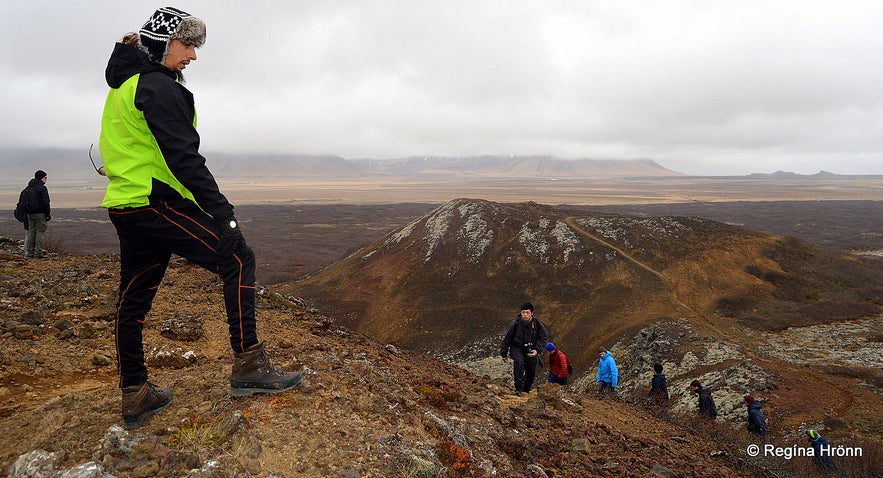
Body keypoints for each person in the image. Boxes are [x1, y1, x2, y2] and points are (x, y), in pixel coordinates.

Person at [99, 7, 301, 429]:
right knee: (238, 258)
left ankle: (135, 394)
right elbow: (184, 158)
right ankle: (248, 366)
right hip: (159, 202)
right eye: (187, 44)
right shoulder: (158, 87)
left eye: (195, 46)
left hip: (128, 203)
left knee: (132, 302)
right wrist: (222, 213)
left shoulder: (126, 85)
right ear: (161, 43)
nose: (193, 55)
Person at [500, 302, 549, 395]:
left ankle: (526, 390)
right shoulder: (515, 323)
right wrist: (504, 353)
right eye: (523, 312)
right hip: (516, 347)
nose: (525, 315)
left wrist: (537, 350)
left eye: (527, 312)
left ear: (532, 313)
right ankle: (518, 388)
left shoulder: (537, 324)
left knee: (531, 371)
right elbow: (507, 338)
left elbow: (544, 337)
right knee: (519, 362)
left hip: (531, 348)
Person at [23, 170, 51, 258]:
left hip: (29, 214)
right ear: (41, 178)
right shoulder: (42, 188)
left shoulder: (28, 188)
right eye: (45, 178)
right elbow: (46, 202)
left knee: (31, 232)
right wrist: (47, 214)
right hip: (40, 214)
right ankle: (38, 253)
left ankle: (29, 253)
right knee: (40, 232)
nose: (46, 180)